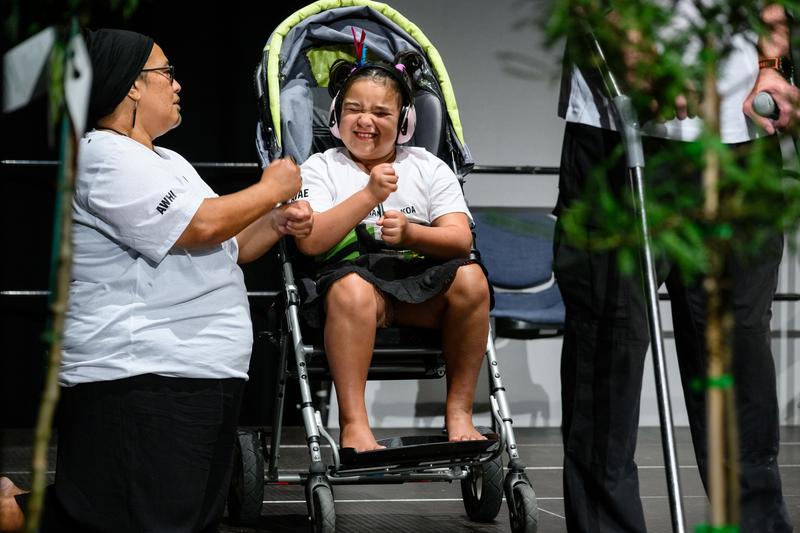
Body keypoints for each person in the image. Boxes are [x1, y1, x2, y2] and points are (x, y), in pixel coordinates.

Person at [0, 28, 312, 532]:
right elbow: (200, 226)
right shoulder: (103, 155)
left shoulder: (168, 161)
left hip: (197, 372)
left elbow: (226, 248)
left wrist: (273, 220)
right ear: (132, 87)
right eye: (166, 72)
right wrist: (268, 188)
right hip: (141, 374)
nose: (177, 84)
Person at [555, 3, 797, 532]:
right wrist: (638, 49)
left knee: (738, 354)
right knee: (610, 350)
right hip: (619, 132)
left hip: (741, 141)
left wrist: (772, 64)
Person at [293, 51, 491, 453]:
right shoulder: (319, 167)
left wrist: (414, 236)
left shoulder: (427, 166)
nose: (366, 121)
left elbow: (459, 239)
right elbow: (311, 242)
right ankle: (354, 424)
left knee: (471, 278)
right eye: (354, 109)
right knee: (351, 288)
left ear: (404, 123)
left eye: (381, 113)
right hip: (352, 290)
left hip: (419, 287)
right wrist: (368, 196)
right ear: (335, 115)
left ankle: (459, 413)